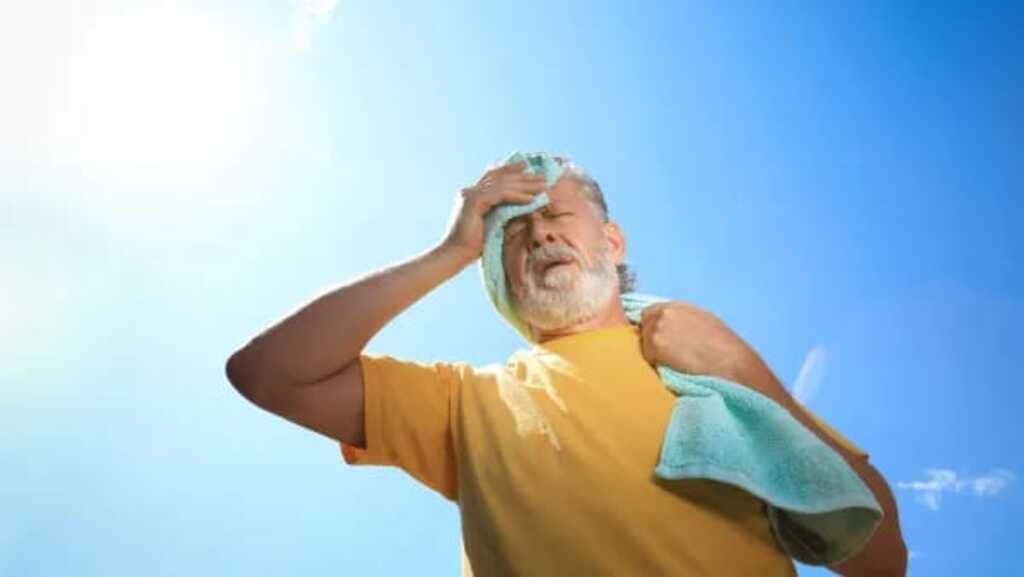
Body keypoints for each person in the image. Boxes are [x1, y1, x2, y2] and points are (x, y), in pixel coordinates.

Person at [225, 156, 908, 576]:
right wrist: (450, 251)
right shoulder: (466, 402)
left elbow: (881, 559)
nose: (541, 231)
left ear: (610, 239)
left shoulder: (709, 377)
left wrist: (740, 368)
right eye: (515, 232)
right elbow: (269, 372)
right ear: (504, 278)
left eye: (557, 215)